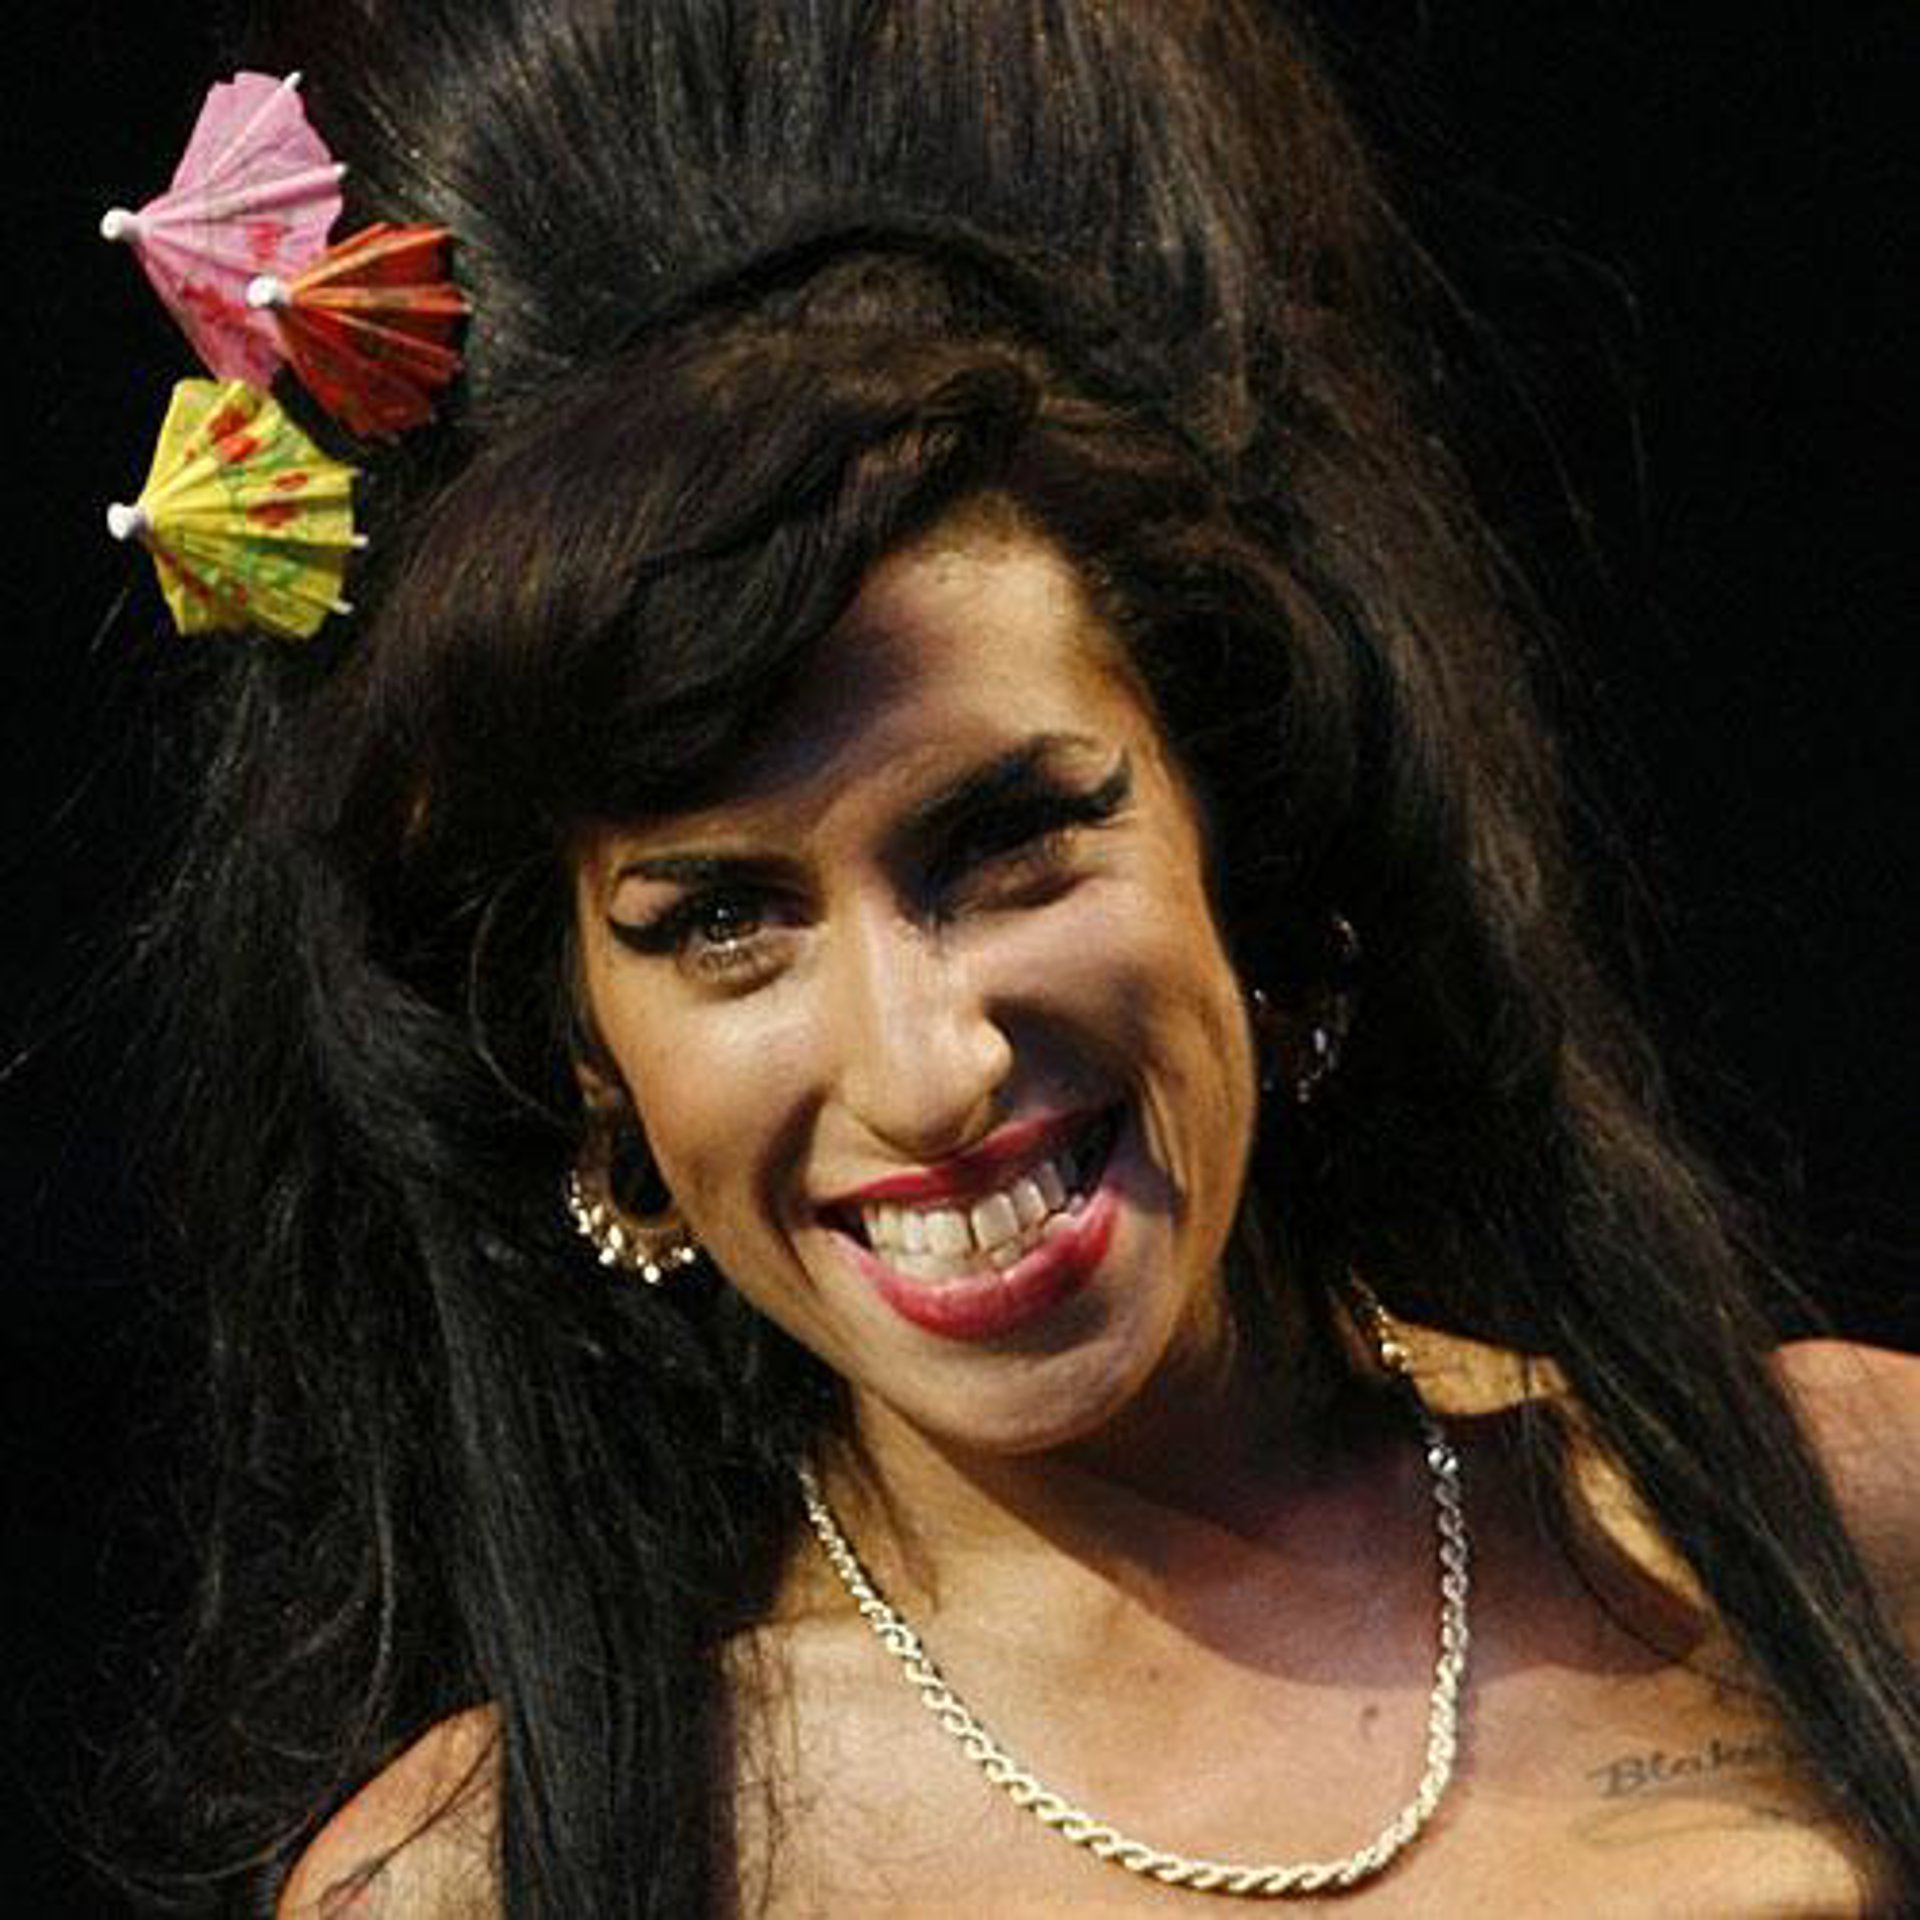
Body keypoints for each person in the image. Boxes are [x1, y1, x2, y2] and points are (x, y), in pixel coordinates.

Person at [102, 2, 1915, 1914]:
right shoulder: (488, 1878)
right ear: (584, 1057)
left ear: (1241, 819)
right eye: (722, 921)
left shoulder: (1845, 1533)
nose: (929, 1070)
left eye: (1007, 842)